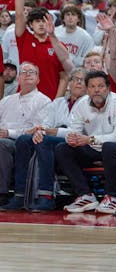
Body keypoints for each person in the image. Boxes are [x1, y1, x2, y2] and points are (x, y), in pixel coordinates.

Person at [0, 68, 87, 212]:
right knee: (24, 140)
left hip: (75, 140)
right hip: (51, 135)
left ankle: (46, 195)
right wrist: (40, 131)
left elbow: (76, 131)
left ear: (88, 85)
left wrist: (46, 132)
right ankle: (20, 194)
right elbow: (46, 123)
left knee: (43, 141)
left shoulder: (88, 103)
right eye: (75, 79)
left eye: (82, 80)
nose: (78, 82)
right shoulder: (58, 102)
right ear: (69, 84)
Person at [56, 70, 116, 215]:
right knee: (62, 148)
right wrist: (72, 138)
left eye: (100, 86)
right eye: (92, 87)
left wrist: (89, 139)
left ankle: (111, 197)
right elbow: (73, 130)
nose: (96, 90)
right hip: (95, 149)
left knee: (109, 147)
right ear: (87, 89)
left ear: (108, 88)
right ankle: (85, 195)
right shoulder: (81, 105)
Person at [14, 0, 73, 100]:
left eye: (44, 20)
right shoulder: (24, 38)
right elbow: (19, 13)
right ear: (30, 24)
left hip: (49, 101)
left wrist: (56, 102)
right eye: (37, 21)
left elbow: (64, 76)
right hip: (25, 99)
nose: (41, 24)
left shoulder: (57, 45)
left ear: (50, 22)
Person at [0, 61, 52, 206]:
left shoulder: (44, 101)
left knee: (2, 144)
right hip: (4, 137)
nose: (27, 74)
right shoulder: (6, 101)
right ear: (18, 78)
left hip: (24, 142)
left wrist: (9, 133)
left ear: (38, 79)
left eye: (32, 72)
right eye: (24, 72)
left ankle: (2, 193)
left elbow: (36, 130)